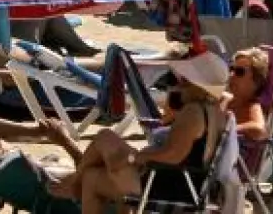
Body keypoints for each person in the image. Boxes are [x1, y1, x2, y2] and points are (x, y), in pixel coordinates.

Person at [45, 52, 227, 214]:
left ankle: (74, 183)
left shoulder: (193, 112)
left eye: (185, 80)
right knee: (92, 177)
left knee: (105, 138)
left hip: (167, 185)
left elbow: (173, 155)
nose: (180, 83)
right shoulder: (216, 112)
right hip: (186, 183)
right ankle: (76, 182)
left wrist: (134, 158)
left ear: (200, 85)